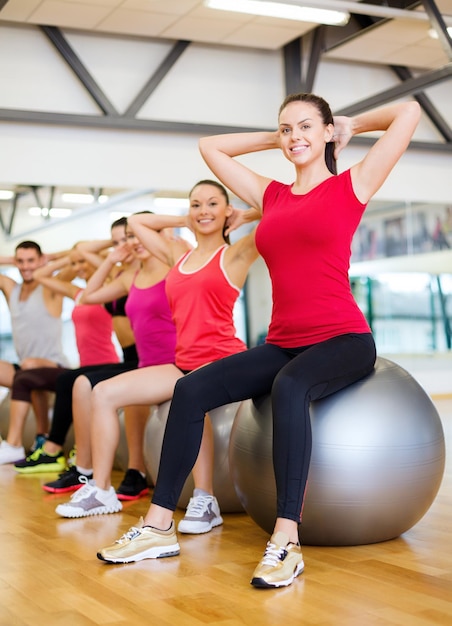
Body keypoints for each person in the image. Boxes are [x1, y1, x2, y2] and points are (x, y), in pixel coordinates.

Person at [96, 94, 421, 588]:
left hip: (344, 338)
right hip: (285, 340)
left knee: (290, 387)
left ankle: (286, 539)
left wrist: (344, 126)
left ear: (327, 131)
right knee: (190, 391)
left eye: (305, 127)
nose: (295, 137)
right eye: (286, 129)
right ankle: (159, 525)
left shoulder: (352, 185)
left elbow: (410, 111)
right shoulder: (271, 196)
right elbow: (211, 147)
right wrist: (278, 137)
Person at [55, 180, 259, 527]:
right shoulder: (176, 258)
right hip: (182, 362)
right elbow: (136, 223)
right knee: (103, 392)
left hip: (223, 358)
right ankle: (101, 490)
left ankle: (205, 499)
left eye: (212, 204)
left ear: (227, 210)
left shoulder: (235, 254)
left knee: (193, 393)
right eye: (196, 205)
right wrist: (190, 220)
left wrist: (242, 214)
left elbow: (280, 206)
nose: (203, 211)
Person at [25, 216, 180, 500]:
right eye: (126, 238)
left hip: (173, 361)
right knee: (83, 384)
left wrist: (173, 225)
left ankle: (127, 473)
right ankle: (89, 472)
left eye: (135, 236)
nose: (132, 243)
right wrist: (113, 255)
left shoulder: (175, 266)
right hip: (142, 360)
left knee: (97, 386)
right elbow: (88, 295)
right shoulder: (127, 276)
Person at [3, 244, 120, 467]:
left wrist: (66, 255)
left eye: (81, 262)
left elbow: (90, 258)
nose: (78, 267)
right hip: (82, 367)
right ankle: (46, 446)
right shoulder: (78, 294)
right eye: (74, 263)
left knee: (54, 377)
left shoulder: (109, 290)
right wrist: (21, 261)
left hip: (95, 364)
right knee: (52, 379)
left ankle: (49, 445)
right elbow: (39, 273)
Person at [0, 241, 69, 465]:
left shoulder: (50, 287)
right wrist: (11, 261)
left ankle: (40, 436)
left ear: (41, 260)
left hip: (56, 367)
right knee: (26, 367)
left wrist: (49, 258)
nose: (25, 266)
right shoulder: (13, 288)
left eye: (31, 260)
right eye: (21, 261)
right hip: (25, 367)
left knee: (30, 366)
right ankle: (12, 443)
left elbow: (77, 256)